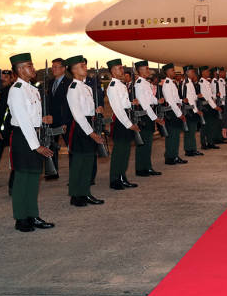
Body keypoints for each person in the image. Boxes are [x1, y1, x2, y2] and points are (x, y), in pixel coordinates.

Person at [7, 53, 56, 232]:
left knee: (34, 178)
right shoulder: (17, 89)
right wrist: (36, 146)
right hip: (24, 137)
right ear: (20, 69)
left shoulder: (32, 89)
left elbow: (31, 117)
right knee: (22, 179)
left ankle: (33, 215)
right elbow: (22, 119)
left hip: (35, 134)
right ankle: (21, 218)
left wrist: (43, 119)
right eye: (29, 66)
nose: (33, 69)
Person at [66, 55, 105, 207]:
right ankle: (77, 195)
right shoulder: (73, 88)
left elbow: (87, 109)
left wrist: (97, 109)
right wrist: (91, 133)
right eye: (82, 66)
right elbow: (78, 114)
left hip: (89, 122)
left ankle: (85, 193)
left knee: (88, 161)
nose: (85, 67)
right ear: (74, 70)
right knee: (79, 162)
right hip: (81, 126)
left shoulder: (86, 87)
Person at [106, 59, 140, 190]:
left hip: (126, 118)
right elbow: (118, 109)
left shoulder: (121, 84)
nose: (122, 70)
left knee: (125, 152)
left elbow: (123, 104)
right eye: (119, 68)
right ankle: (115, 180)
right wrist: (128, 124)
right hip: (121, 122)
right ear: (112, 71)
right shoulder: (113, 86)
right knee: (119, 152)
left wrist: (131, 103)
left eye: (121, 68)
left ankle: (122, 177)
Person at [133, 61, 163, 177]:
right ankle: (142, 168)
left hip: (148, 114)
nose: (148, 71)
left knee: (147, 144)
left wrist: (157, 101)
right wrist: (155, 118)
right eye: (146, 68)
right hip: (145, 116)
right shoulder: (140, 83)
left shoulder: (145, 83)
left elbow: (150, 98)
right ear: (140, 70)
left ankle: (146, 167)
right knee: (144, 144)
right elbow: (145, 104)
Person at [45, 57, 71, 180]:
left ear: (64, 68)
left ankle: (74, 174)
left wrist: (65, 121)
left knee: (71, 147)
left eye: (56, 67)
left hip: (64, 121)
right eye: (53, 67)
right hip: (51, 121)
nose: (53, 69)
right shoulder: (50, 82)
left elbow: (68, 105)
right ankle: (52, 172)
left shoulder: (69, 83)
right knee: (51, 146)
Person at [161, 63, 188, 165]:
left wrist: (181, 100)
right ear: (167, 72)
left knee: (175, 136)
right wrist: (179, 114)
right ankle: (170, 157)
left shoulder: (172, 83)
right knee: (172, 136)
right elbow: (171, 101)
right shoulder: (167, 83)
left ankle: (174, 156)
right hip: (172, 113)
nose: (174, 72)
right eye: (172, 70)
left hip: (175, 111)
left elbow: (175, 99)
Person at [180, 65, 203, 157]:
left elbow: (192, 97)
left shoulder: (189, 82)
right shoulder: (186, 83)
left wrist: (197, 96)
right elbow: (189, 100)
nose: (193, 73)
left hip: (192, 110)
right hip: (190, 111)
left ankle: (192, 149)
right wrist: (196, 110)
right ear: (187, 72)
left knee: (192, 131)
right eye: (192, 72)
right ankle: (189, 150)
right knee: (190, 132)